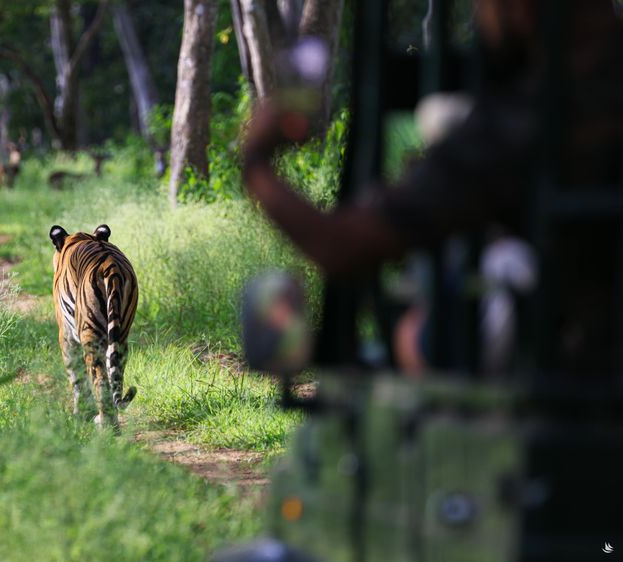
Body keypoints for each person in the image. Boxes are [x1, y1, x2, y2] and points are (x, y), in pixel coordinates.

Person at [242, 0, 623, 377]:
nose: (481, 17)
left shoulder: (523, 125)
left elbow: (341, 245)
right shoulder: (568, 108)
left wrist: (257, 162)